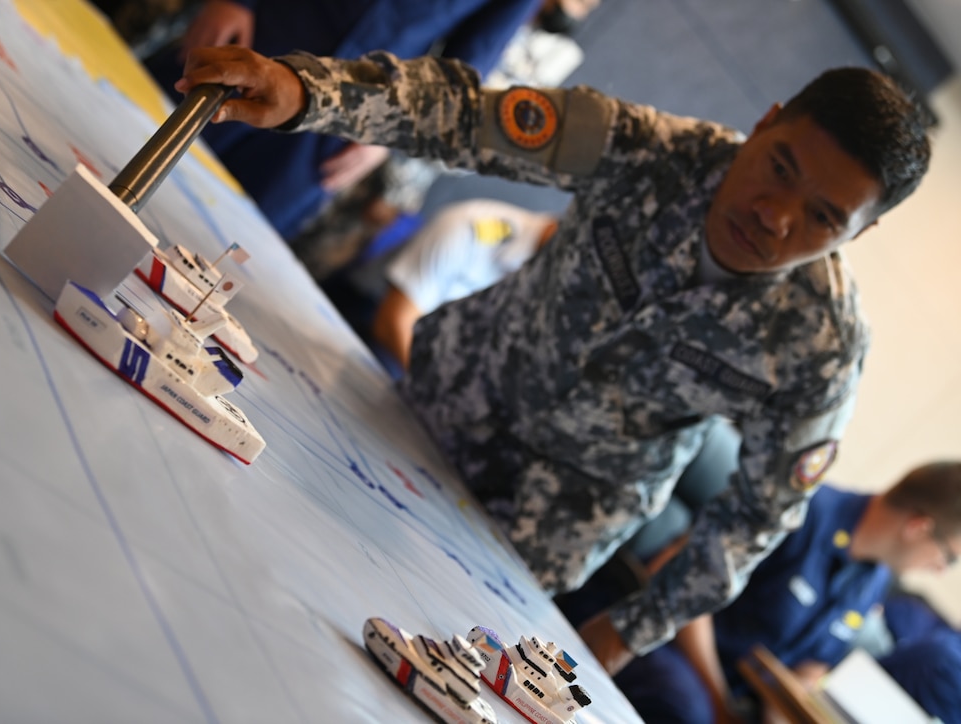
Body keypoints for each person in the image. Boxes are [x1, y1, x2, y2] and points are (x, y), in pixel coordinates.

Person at [174, 45, 932, 669]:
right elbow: (465, 115)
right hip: (439, 402)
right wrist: (308, 91)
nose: (776, 216)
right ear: (763, 124)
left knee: (371, 675)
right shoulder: (648, 151)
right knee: (237, 551)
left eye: (823, 217)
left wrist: (625, 632)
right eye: (780, 167)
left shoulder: (821, 347)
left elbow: (758, 517)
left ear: (855, 236)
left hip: (543, 528)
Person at [145, 0, 542, 239]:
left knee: (215, 242)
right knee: (129, 149)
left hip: (339, 124)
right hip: (256, 39)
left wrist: (390, 133)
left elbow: (463, 73)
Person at [599, 461, 961, 723]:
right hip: (666, 643)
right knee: (688, 712)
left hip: (733, 698)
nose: (941, 570)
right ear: (918, 526)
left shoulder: (874, 582)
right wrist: (719, 700)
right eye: (950, 557)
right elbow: (675, 571)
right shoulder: (802, 510)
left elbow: (809, 667)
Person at [371, 199, 557, 368]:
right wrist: (433, 397)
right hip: (393, 350)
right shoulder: (470, 228)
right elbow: (392, 322)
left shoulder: (561, 299)